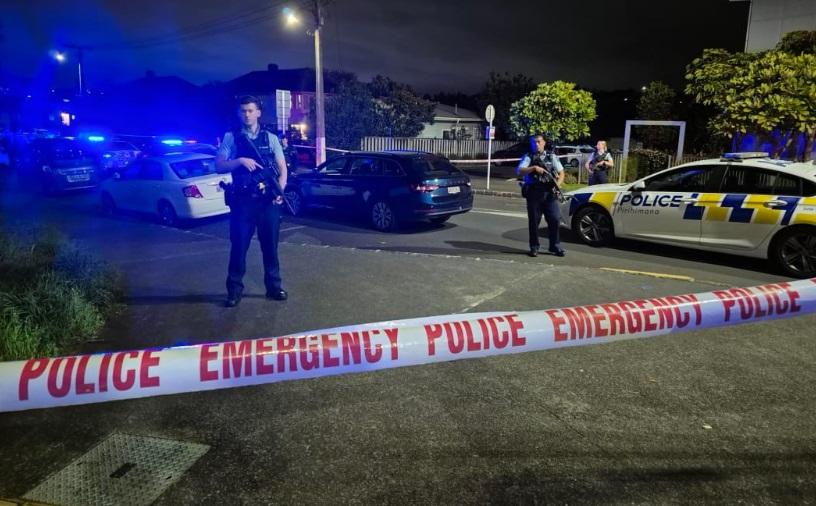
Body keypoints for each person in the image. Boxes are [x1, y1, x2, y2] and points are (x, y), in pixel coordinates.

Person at [215, 95, 288, 307]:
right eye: (243, 111)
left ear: (258, 113)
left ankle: (274, 288)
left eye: (250, 110)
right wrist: (239, 161)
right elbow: (219, 165)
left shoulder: (271, 138)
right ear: (239, 113)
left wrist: (280, 190)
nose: (246, 114)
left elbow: (282, 169)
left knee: (270, 248)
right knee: (239, 247)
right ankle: (234, 291)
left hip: (267, 203)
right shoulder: (232, 137)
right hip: (243, 203)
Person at [517, 134, 565, 258]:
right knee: (534, 222)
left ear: (544, 143)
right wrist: (533, 168)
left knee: (554, 219)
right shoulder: (529, 156)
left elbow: (561, 173)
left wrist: (557, 185)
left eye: (538, 142)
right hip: (534, 193)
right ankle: (534, 247)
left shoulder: (551, 156)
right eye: (534, 142)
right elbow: (520, 170)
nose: (536, 144)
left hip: (549, 193)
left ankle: (554, 246)